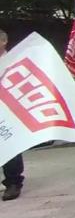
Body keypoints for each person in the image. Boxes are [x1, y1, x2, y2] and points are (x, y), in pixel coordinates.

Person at [0, 29, 26, 201]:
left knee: (10, 145)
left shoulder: (15, 62)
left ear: (3, 41)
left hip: (8, 110)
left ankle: (13, 182)